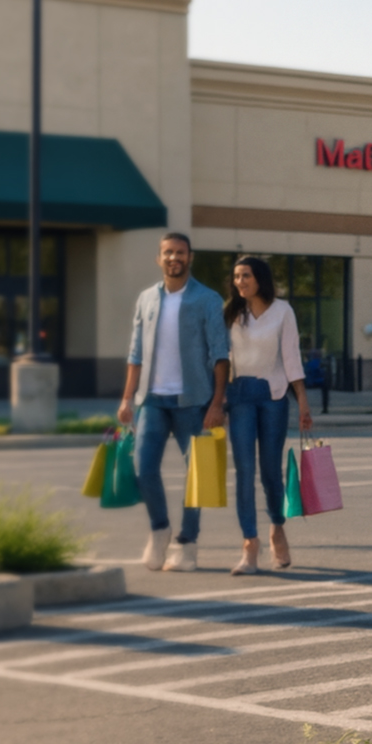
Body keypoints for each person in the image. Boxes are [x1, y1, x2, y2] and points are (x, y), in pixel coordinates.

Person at [118, 232, 229, 572]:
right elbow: (135, 354)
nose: (174, 258)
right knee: (144, 468)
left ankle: (187, 544)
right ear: (159, 258)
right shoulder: (147, 299)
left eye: (180, 252)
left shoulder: (207, 299)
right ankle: (160, 529)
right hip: (152, 400)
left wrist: (217, 403)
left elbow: (220, 355)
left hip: (193, 401)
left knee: (196, 474)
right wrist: (127, 399)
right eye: (168, 252)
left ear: (189, 257)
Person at [222, 256, 314, 574]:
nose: (240, 281)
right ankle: (250, 543)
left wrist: (302, 402)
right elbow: (221, 358)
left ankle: (277, 527)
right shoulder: (231, 313)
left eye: (245, 275)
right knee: (244, 472)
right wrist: (217, 399)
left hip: (273, 398)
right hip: (239, 397)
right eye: (236, 276)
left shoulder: (282, 311)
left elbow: (291, 358)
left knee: (271, 473)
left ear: (260, 278)